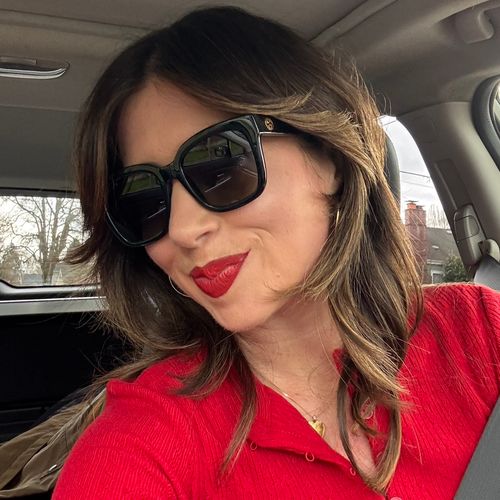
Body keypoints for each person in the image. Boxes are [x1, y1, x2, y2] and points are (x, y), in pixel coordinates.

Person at [52, 6, 499, 499]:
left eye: (221, 161)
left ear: (329, 156)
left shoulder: (480, 331)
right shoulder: (145, 438)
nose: (181, 230)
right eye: (143, 198)